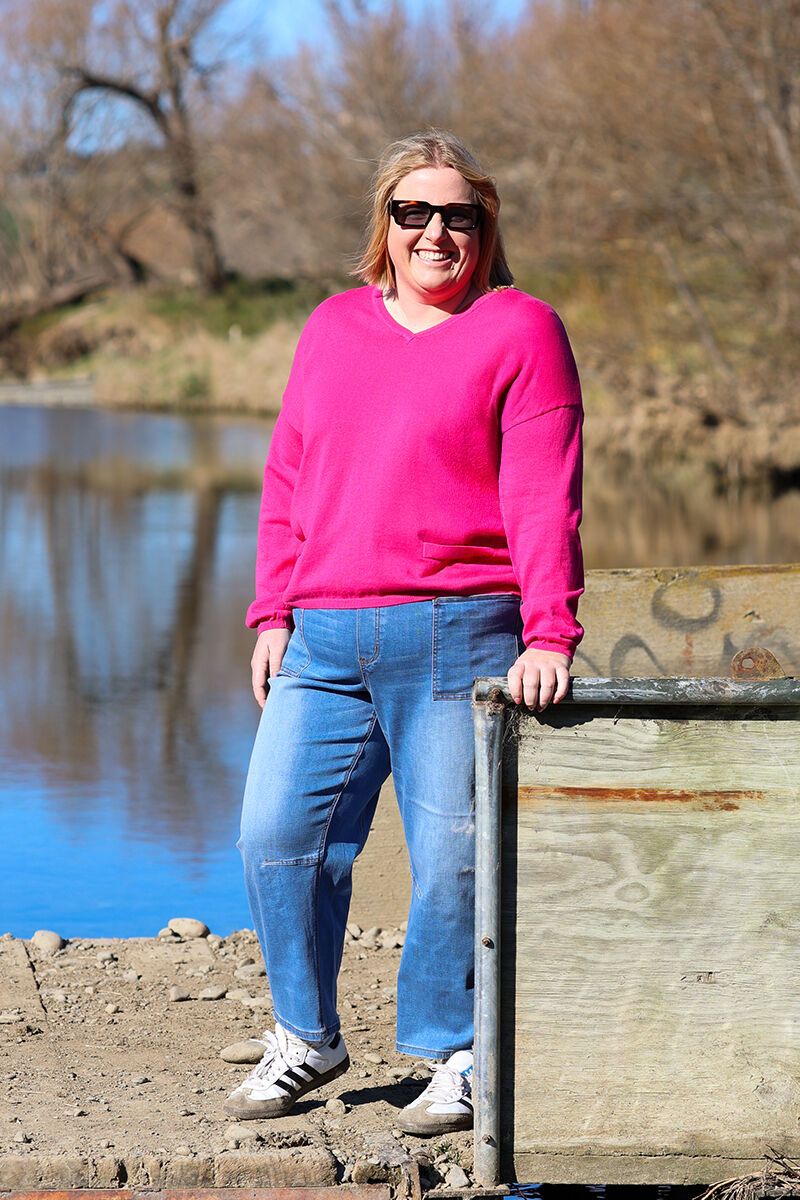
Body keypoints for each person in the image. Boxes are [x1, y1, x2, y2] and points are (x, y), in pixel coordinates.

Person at [227, 129, 584, 1136]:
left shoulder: (520, 329)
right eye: (412, 211)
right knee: (276, 838)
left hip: (459, 636)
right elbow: (290, 477)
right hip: (322, 642)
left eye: (457, 215)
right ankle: (307, 1036)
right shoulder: (332, 327)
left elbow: (542, 495)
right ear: (382, 223)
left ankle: (453, 1052)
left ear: (484, 228)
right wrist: (272, 610)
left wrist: (549, 633)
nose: (435, 232)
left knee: (454, 860)